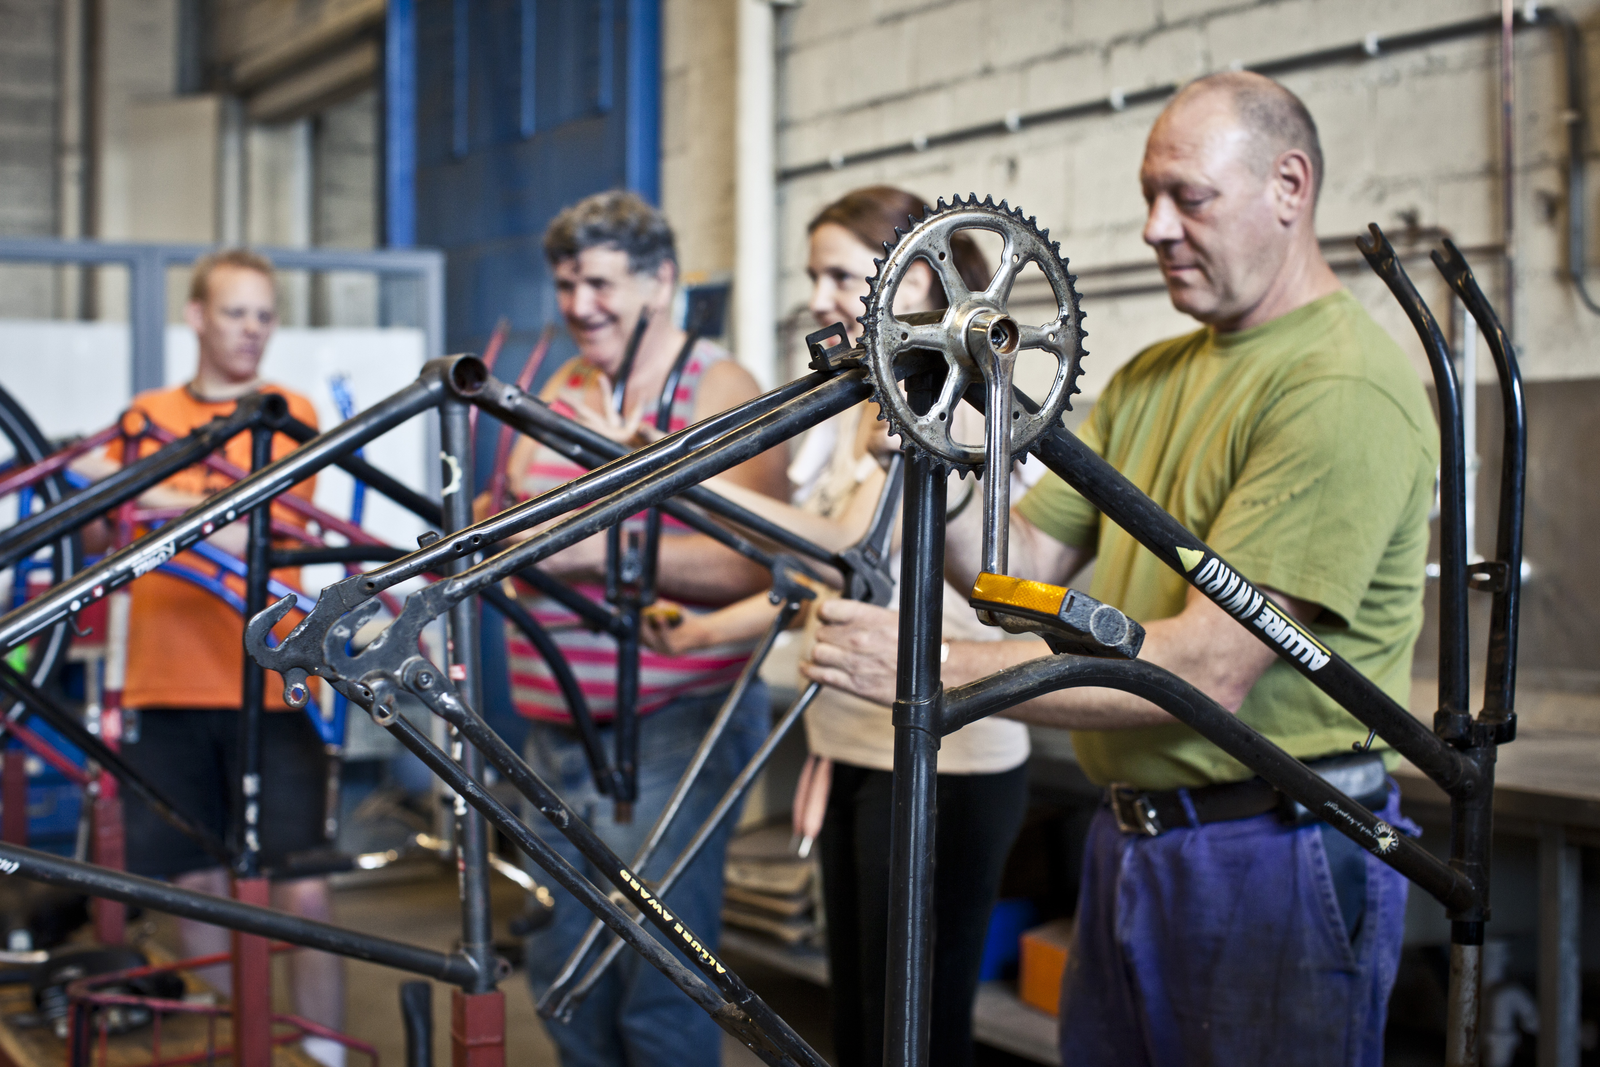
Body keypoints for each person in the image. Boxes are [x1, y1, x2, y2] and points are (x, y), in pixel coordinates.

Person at [801, 73, 1436, 1067]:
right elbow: (1018, 565)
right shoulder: (1149, 377)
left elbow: (1208, 670)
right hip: (1133, 839)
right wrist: (929, 436)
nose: (1153, 227)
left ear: (1289, 186)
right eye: (1149, 195)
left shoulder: (1340, 386)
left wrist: (930, 670)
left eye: (1189, 196)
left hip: (1274, 846)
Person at [642, 186, 1031, 1067]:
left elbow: (849, 552)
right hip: (855, 739)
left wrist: (686, 473)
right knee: (859, 1020)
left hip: (945, 756)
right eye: (814, 275)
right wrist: (700, 634)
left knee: (917, 1029)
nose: (818, 296)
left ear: (919, 283)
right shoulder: (861, 409)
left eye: (840, 275)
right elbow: (828, 584)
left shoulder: (955, 403)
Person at [487, 190, 787, 1067]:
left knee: (658, 984)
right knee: (563, 973)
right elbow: (515, 512)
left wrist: (598, 554)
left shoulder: (718, 387)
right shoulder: (565, 386)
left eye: (600, 284)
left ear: (660, 282)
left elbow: (758, 565)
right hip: (554, 734)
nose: (580, 306)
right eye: (566, 285)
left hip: (668, 730)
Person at [95, 250, 347, 1067]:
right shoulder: (147, 414)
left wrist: (145, 493)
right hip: (163, 685)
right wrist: (130, 497)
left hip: (271, 684)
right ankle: (243, 1036)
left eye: (264, 315)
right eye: (236, 312)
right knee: (191, 882)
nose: (251, 329)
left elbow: (263, 527)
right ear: (198, 316)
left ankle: (326, 1052)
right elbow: (102, 523)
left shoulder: (285, 412)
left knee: (302, 886)